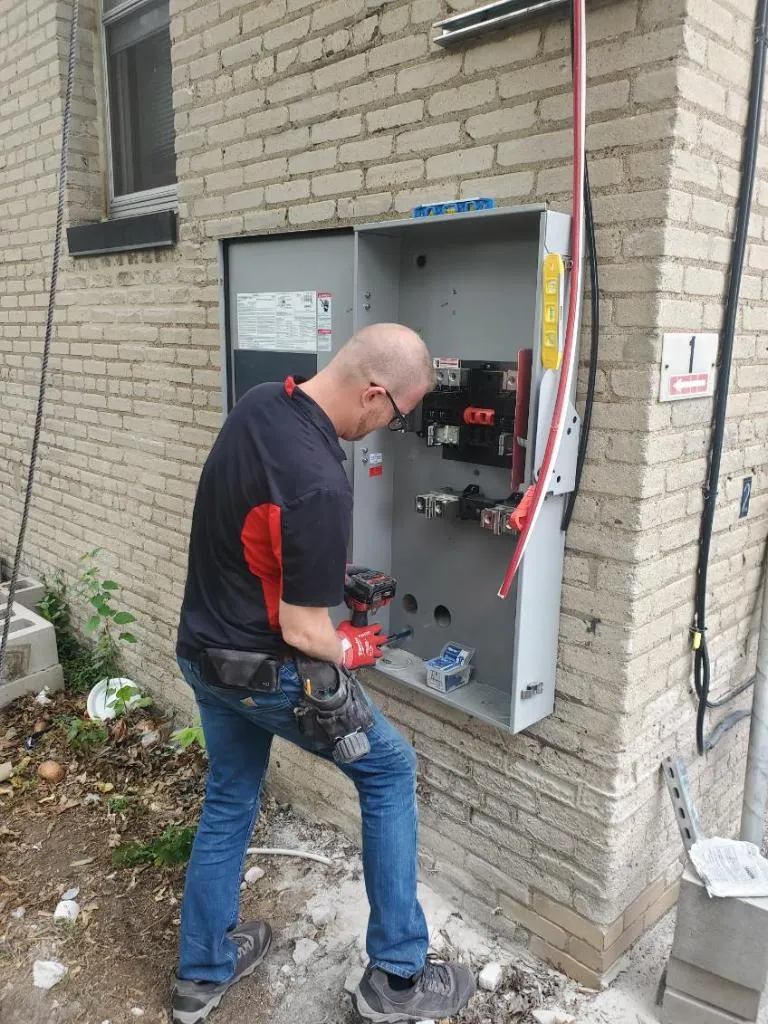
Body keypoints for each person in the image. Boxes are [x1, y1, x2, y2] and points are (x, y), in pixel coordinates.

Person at [171, 324, 476, 1024]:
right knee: (392, 771)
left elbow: (254, 532)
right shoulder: (320, 483)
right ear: (374, 394)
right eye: (397, 417)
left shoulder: (258, 404)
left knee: (229, 795)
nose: (388, 429)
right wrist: (356, 647)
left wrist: (321, 572)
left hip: (203, 653)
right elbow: (304, 630)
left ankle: (202, 972)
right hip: (266, 670)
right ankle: (398, 981)